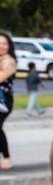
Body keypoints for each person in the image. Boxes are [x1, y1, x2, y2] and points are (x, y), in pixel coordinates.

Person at [0, 32, 15, 170]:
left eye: (4, 43)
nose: (1, 45)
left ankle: (6, 157)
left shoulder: (9, 61)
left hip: (3, 101)